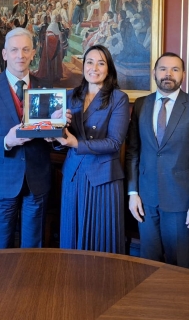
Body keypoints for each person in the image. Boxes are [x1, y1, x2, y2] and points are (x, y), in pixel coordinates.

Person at [125, 52, 189, 268]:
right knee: (148, 263)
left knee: (179, 266)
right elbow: (133, 152)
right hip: (145, 200)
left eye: (175, 69)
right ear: (154, 73)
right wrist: (132, 192)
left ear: (183, 74)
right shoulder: (141, 104)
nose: (168, 74)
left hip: (181, 201)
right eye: (163, 69)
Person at [0, 28, 53, 249]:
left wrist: (56, 134)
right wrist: (6, 141)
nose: (20, 55)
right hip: (0, 182)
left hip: (37, 181)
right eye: (14, 50)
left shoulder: (45, 87)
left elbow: (52, 136)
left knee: (33, 251)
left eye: (25, 49)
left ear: (33, 53)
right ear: (4, 54)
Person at [56, 45, 129, 253]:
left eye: (101, 63)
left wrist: (76, 144)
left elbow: (114, 143)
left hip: (103, 177)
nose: (94, 68)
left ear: (109, 68)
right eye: (89, 62)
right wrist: (55, 134)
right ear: (83, 66)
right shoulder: (70, 96)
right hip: (73, 173)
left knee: (100, 239)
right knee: (71, 234)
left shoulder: (118, 98)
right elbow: (61, 138)